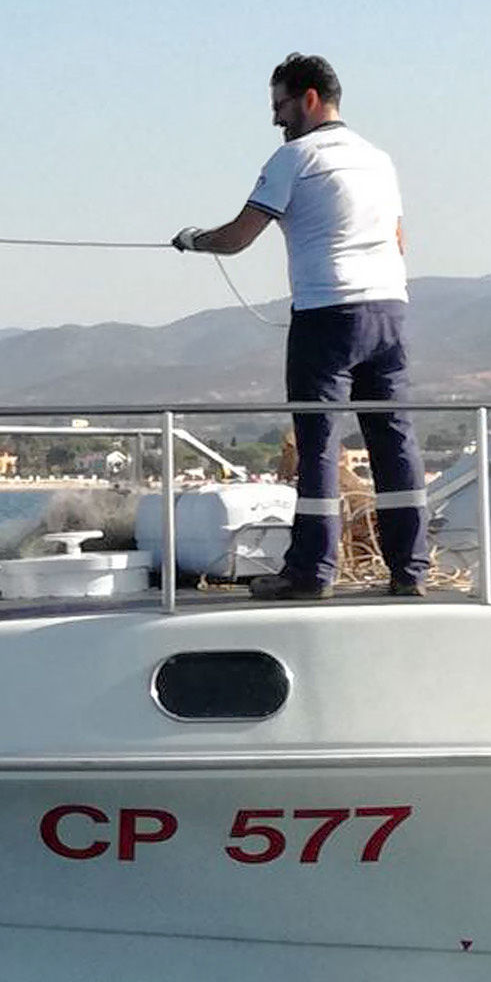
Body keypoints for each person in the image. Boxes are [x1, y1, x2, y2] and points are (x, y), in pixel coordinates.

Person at [171, 53, 430, 599]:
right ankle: (411, 572)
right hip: (390, 312)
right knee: (395, 441)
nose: (275, 119)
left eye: (280, 105)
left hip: (327, 315)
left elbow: (239, 237)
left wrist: (193, 239)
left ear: (309, 98)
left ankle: (311, 574)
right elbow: (399, 240)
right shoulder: (379, 160)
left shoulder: (294, 157)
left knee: (318, 445)